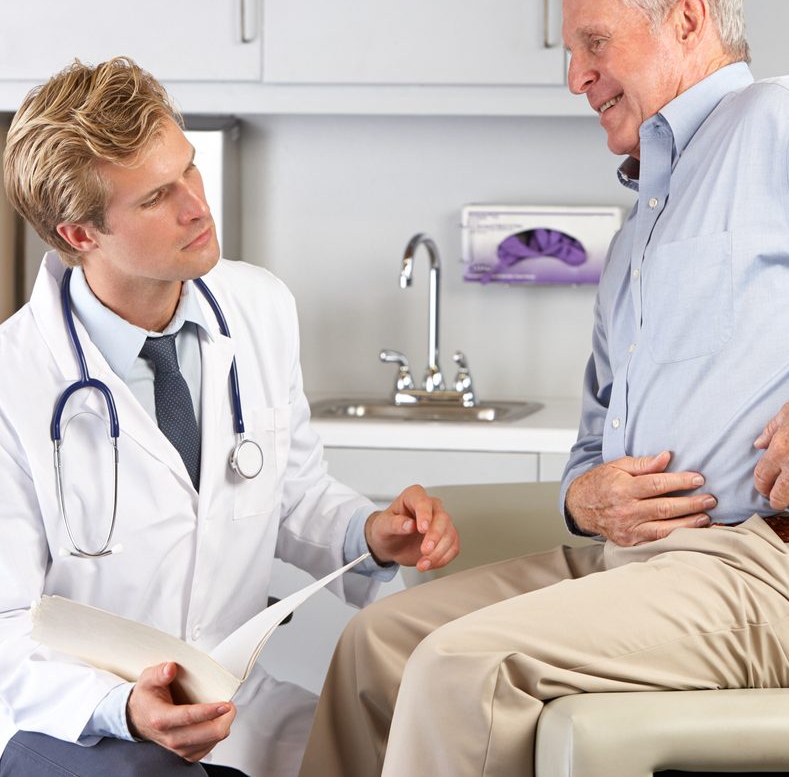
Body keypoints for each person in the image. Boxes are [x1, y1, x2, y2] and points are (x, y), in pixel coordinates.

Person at [297, 0, 789, 775]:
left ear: (687, 20)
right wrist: (584, 498)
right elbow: (591, 442)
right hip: (638, 563)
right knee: (376, 646)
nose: (576, 76)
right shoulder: (639, 232)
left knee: (462, 665)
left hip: (780, 562)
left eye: (594, 41)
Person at [0, 57, 459, 777]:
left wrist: (370, 534)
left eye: (189, 168)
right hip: (71, 722)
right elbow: (6, 630)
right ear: (82, 235)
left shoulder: (258, 307)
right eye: (157, 197)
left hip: (232, 706)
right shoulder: (14, 382)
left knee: (408, 755)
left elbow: (291, 493)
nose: (196, 207)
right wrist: (123, 709)